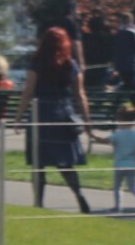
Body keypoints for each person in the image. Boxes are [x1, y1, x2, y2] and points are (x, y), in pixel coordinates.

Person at [15, 27, 93, 213]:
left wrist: (18, 117)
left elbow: (28, 92)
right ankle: (79, 194)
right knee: (65, 162)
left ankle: (39, 201)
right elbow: (80, 94)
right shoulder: (71, 64)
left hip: (41, 113)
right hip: (63, 113)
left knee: (38, 162)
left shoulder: (37, 63)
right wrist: (87, 121)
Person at [92, 104, 135, 211]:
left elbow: (105, 140)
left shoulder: (118, 135)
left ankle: (117, 206)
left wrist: (94, 137)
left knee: (118, 186)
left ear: (121, 120)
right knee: (132, 186)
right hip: (132, 165)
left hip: (119, 165)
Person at [112, 11, 135, 101]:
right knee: (133, 85)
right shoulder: (132, 32)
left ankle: (117, 101)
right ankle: (133, 103)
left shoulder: (119, 33)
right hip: (131, 63)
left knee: (125, 82)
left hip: (120, 63)